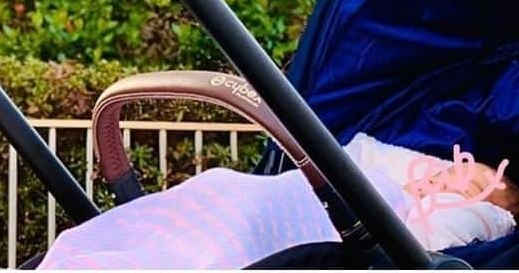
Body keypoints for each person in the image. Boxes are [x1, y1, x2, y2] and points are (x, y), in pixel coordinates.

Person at [39, 131, 518, 269]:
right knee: (217, 192)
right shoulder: (382, 173)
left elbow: (430, 237)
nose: (451, 181)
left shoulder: (472, 221)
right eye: (453, 169)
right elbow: (354, 153)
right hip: (271, 199)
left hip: (332, 227)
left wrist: (443, 200)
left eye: (473, 186)